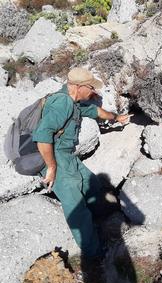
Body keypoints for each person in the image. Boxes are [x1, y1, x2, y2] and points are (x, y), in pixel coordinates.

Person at [32, 67, 132, 259]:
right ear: (78, 87)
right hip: (54, 157)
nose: (94, 92)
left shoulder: (75, 102)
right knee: (76, 205)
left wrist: (116, 118)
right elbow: (43, 136)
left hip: (68, 156)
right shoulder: (62, 103)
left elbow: (96, 111)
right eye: (91, 88)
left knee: (92, 185)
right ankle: (94, 254)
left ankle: (106, 220)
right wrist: (52, 167)